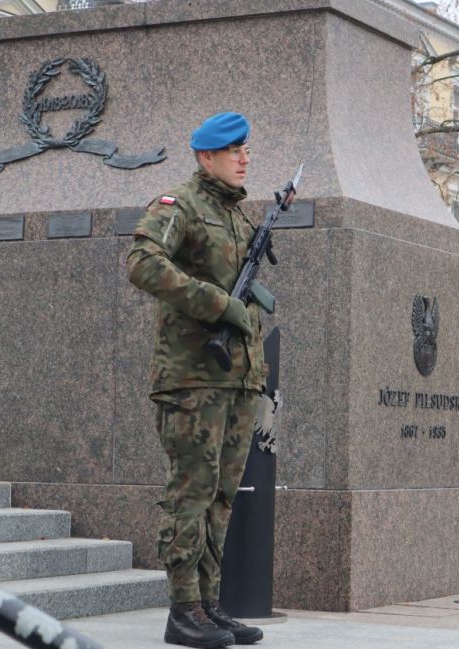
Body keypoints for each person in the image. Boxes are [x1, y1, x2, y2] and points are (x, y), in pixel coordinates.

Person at [126, 112, 265, 647]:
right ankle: (183, 609)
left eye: (246, 149)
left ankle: (209, 605)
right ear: (207, 156)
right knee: (192, 492)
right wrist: (216, 304)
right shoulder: (178, 204)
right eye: (234, 150)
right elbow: (142, 262)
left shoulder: (237, 214)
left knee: (221, 497)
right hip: (191, 379)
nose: (244, 158)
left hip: (235, 378)